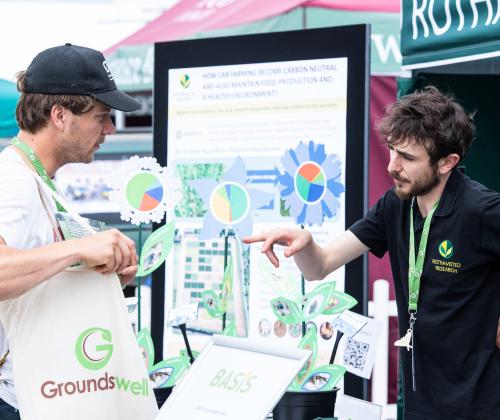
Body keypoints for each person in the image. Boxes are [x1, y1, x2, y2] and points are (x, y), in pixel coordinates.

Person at [244, 86, 500, 419]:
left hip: (480, 404)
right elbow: (319, 267)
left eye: (407, 158)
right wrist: (305, 244)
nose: (392, 166)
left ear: (447, 163)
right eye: (392, 151)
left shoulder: (480, 209)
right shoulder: (394, 205)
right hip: (422, 401)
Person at [0, 43, 141, 419]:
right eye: (102, 116)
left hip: (38, 389)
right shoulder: (13, 179)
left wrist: (99, 274)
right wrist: (78, 251)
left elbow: (37, 278)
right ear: (60, 115)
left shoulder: (38, 179)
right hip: (15, 399)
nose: (110, 129)